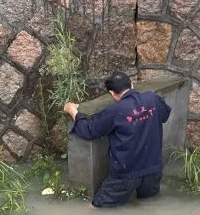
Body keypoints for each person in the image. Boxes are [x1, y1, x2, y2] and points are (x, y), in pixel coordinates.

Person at [64, 72, 171, 208]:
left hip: (126, 175)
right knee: (149, 205)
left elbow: (89, 131)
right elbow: (165, 115)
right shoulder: (153, 98)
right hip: (153, 169)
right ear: (131, 84)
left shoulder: (115, 111)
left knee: (95, 208)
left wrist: (73, 111)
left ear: (112, 93)